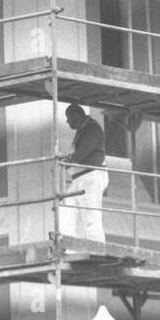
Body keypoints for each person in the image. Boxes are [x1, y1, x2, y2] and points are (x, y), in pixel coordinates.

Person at [59, 103, 108, 244]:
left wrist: (68, 160)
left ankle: (98, 248)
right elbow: (79, 153)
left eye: (68, 117)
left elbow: (83, 151)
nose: (67, 121)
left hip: (90, 176)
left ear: (77, 115)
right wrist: (68, 159)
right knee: (66, 209)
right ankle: (69, 246)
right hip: (81, 178)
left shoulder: (91, 128)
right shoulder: (84, 129)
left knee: (90, 215)